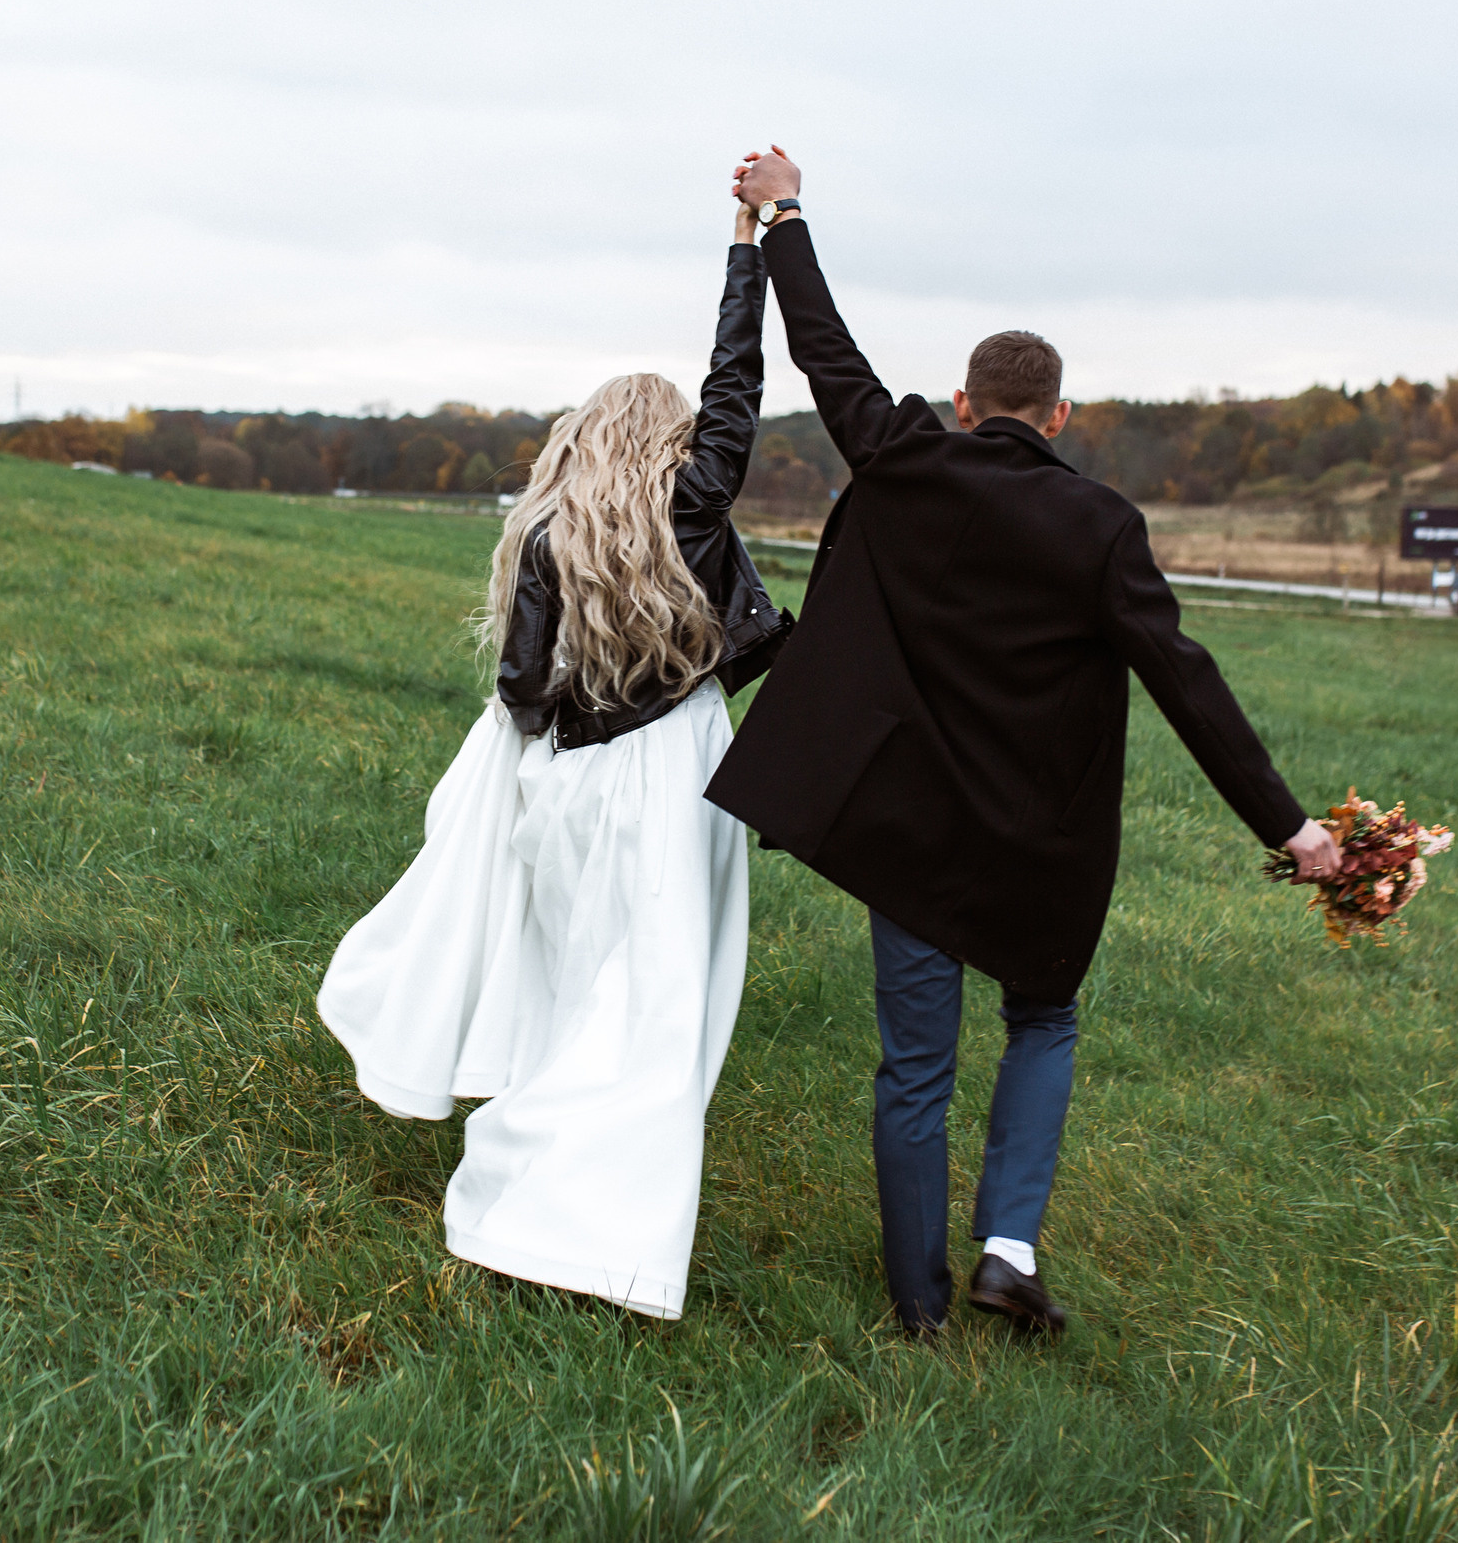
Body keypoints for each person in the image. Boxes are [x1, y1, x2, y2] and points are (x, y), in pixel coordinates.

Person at [705, 148, 1344, 1340]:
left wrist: (782, 212)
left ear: (962, 404)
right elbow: (1186, 683)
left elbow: (823, 350)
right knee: (1040, 1021)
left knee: (914, 1065)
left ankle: (916, 1302)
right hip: (1038, 847)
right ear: (1058, 418)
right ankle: (1006, 1247)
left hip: (907, 832)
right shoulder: (1101, 525)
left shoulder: (904, 455)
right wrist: (1293, 828)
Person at [316, 200, 790, 1320]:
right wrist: (748, 245)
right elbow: (738, 387)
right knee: (655, 1010)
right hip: (677, 784)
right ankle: (583, 1223)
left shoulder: (543, 536)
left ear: (584, 437)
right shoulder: (695, 508)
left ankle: (533, 1183)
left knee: (572, 982)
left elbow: (524, 691)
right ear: (675, 445)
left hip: (565, 786)